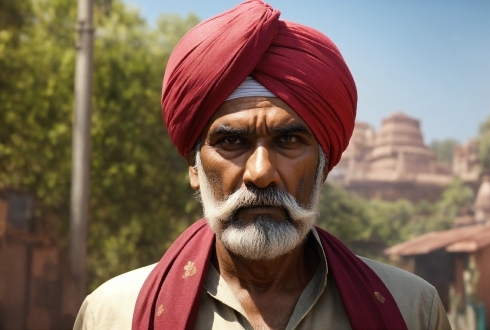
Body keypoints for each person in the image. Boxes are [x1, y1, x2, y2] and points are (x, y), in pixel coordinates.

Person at [74, 1, 451, 329]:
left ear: (324, 167)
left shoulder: (411, 310)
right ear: (194, 168)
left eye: (288, 141)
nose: (260, 173)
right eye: (232, 142)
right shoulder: (113, 315)